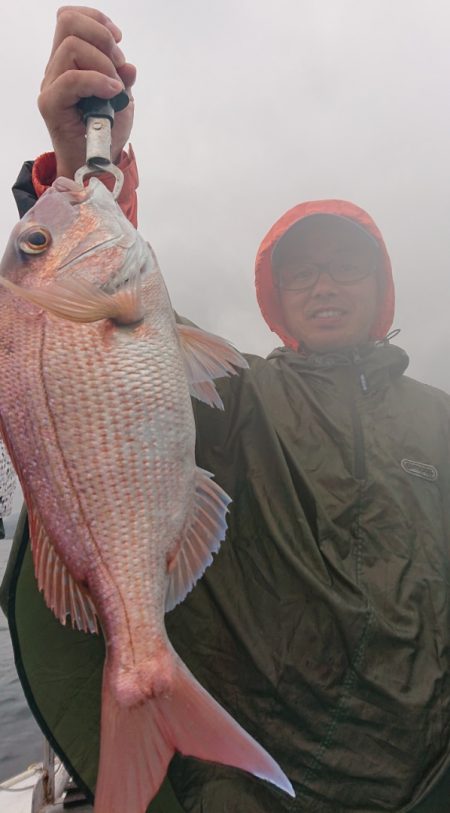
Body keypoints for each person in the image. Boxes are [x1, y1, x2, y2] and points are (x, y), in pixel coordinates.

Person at [1, 7, 450, 813]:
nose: (321, 285)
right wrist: (84, 161)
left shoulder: (439, 419)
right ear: (274, 295)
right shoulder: (242, 392)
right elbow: (100, 358)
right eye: (301, 270)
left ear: (381, 287)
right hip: (266, 777)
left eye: (343, 268)